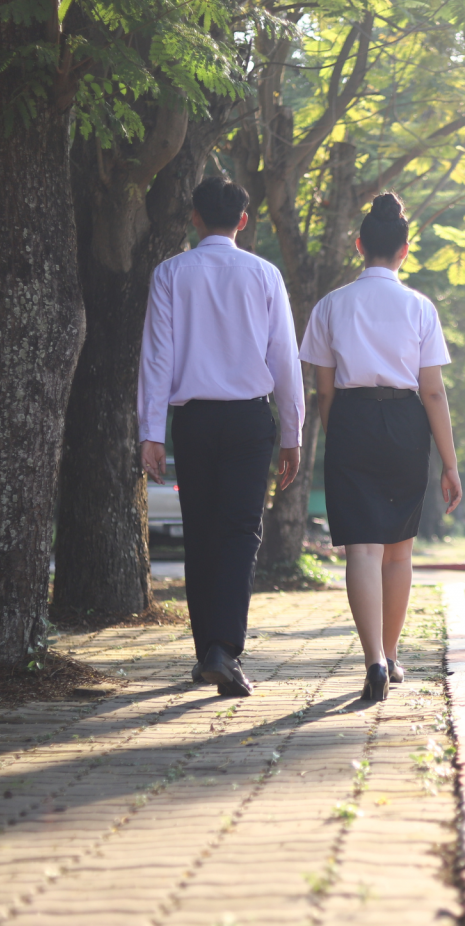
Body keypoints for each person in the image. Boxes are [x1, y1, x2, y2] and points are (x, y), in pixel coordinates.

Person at [138, 175, 305, 697]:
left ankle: (207, 649)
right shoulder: (265, 273)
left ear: (194, 217)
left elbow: (157, 355)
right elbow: (284, 359)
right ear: (243, 220)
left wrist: (151, 431)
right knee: (239, 532)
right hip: (250, 421)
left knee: (202, 532)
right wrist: (293, 433)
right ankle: (223, 650)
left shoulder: (171, 273)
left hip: (193, 421)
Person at [298, 192, 463, 702]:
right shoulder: (419, 306)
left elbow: (323, 390)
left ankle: (371, 658)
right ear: (404, 252)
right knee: (398, 552)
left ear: (358, 245)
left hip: (350, 419)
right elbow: (432, 390)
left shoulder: (331, 305)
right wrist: (450, 465)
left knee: (361, 551)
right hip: (406, 425)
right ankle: (391, 656)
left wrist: (337, 432)